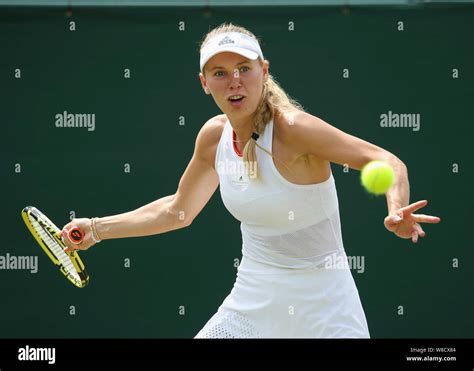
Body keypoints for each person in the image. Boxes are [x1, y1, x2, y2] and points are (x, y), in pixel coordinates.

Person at [61, 22, 441, 338]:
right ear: (204, 83)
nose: (234, 82)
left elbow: (386, 161)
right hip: (251, 304)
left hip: (326, 311)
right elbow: (177, 210)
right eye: (220, 73)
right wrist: (95, 229)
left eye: (244, 68)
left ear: (264, 70)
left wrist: (396, 207)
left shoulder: (294, 130)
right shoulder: (213, 138)